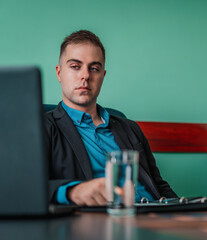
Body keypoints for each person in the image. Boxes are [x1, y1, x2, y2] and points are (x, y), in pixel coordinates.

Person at [45, 30, 177, 206]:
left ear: (102, 76)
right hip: (100, 224)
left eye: (94, 68)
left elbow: (158, 185)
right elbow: (23, 187)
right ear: (59, 73)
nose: (85, 75)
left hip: (156, 217)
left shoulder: (130, 128)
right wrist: (72, 191)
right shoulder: (41, 128)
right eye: (75, 66)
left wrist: (185, 212)